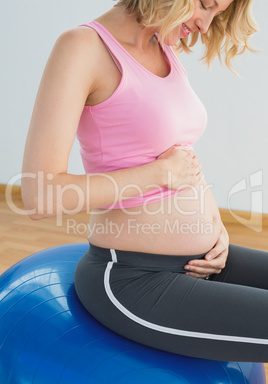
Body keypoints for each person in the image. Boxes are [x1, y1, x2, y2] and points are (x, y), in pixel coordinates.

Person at [21, 0, 268, 362]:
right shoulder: (82, 47)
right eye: (205, 6)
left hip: (204, 260)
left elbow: (179, 155)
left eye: (217, 14)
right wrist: (156, 174)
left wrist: (215, 226)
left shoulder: (163, 46)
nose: (204, 25)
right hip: (134, 279)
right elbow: (40, 195)